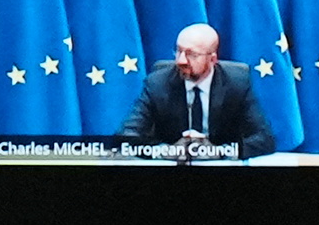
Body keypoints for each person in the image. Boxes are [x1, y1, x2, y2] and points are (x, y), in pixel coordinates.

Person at [115, 22, 278, 159]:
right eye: (178, 51)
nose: (181, 61)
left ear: (213, 59)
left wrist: (218, 152)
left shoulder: (237, 82)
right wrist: (167, 151)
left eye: (192, 54)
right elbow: (126, 137)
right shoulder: (158, 82)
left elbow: (264, 140)